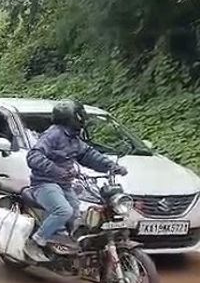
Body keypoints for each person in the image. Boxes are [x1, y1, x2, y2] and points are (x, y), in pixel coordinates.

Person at [26, 100, 128, 253]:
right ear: (73, 118)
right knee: (63, 210)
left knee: (75, 213)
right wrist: (57, 170)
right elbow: (33, 156)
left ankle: (62, 245)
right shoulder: (53, 135)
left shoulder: (73, 137)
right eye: (80, 116)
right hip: (44, 184)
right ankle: (37, 241)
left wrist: (112, 166)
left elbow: (89, 155)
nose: (83, 119)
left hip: (64, 185)